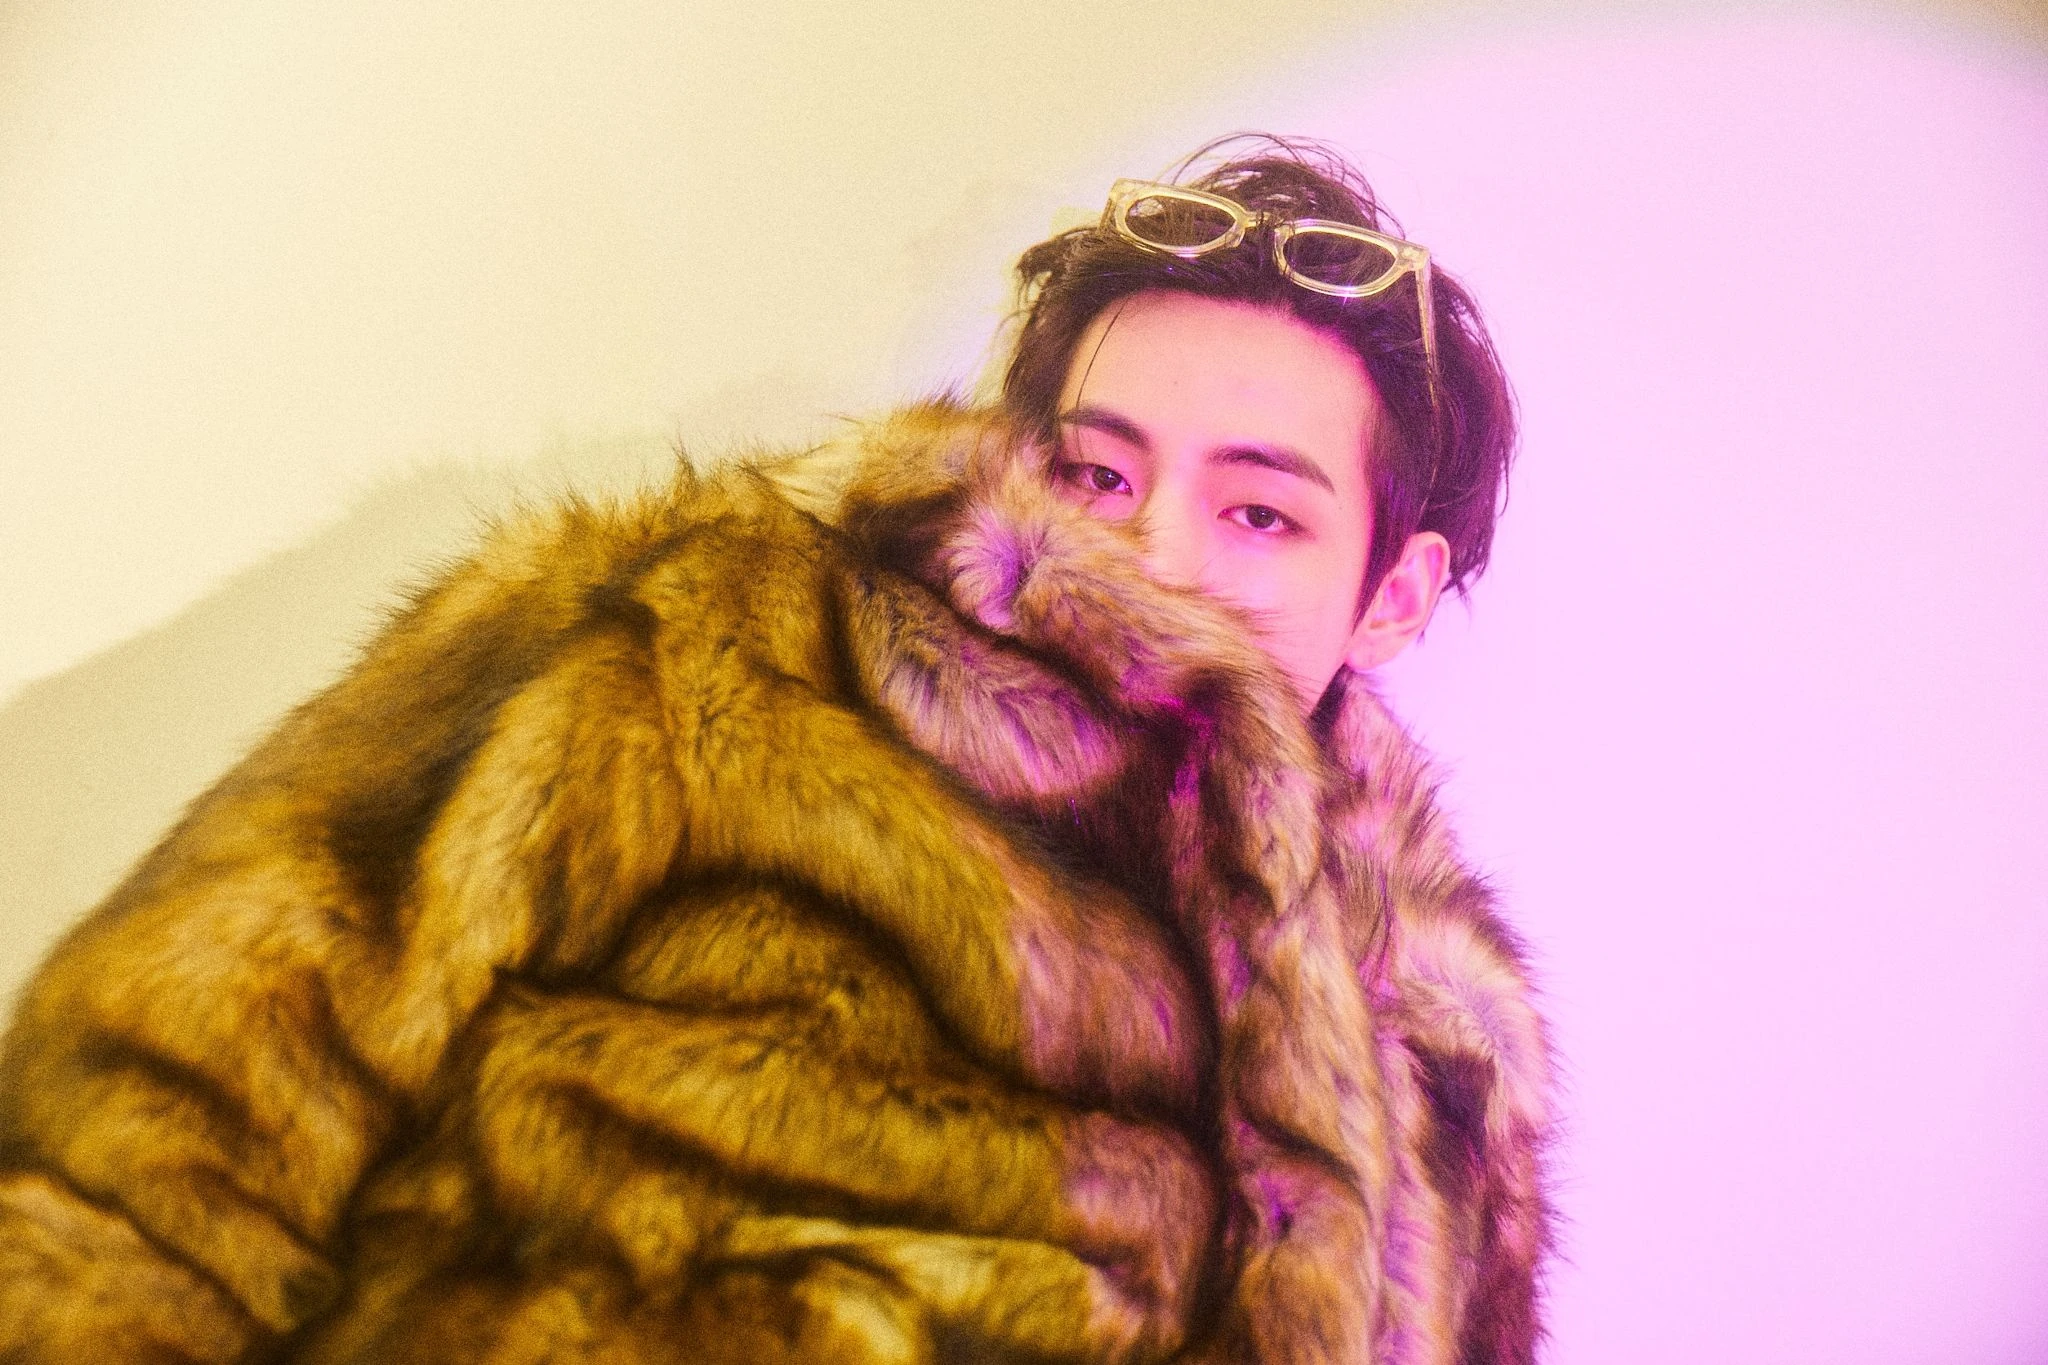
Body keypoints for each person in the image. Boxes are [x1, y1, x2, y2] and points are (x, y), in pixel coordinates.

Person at [0, 135, 1550, 1363]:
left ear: (1393, 596)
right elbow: (173, 1094)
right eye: (1096, 475)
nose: (1154, 556)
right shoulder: (712, 635)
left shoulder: (1439, 1042)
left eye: (1260, 512)